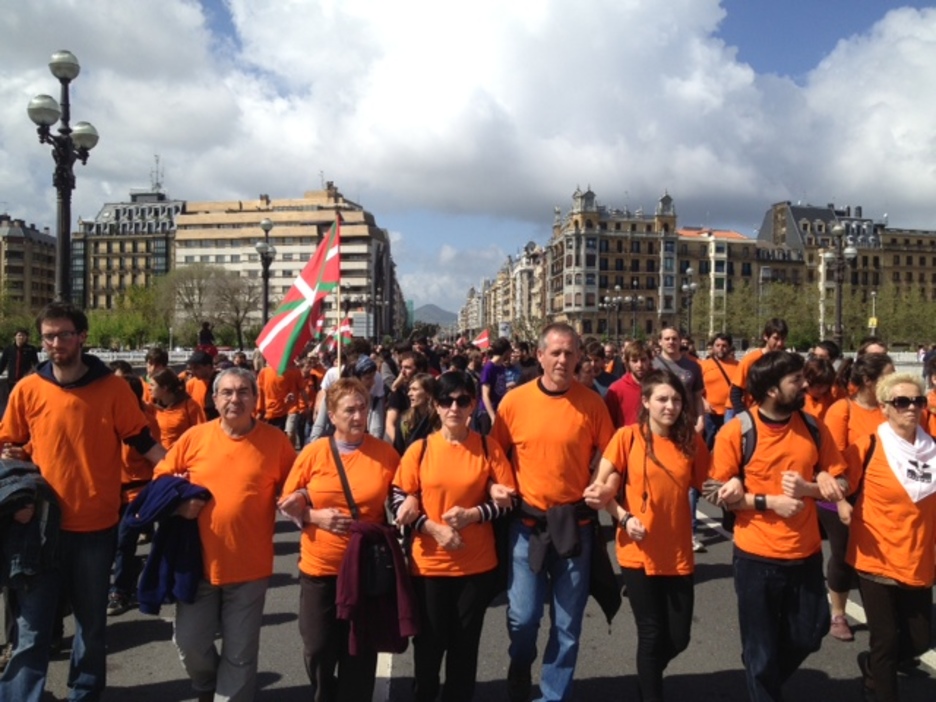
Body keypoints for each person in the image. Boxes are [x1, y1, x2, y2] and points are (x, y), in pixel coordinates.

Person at [0, 302, 165, 702]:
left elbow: (144, 443)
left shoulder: (112, 389)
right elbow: (7, 447)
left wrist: (181, 477)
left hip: (95, 527)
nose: (56, 343)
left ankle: (85, 693)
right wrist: (14, 496)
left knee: (91, 625)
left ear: (83, 337)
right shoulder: (28, 389)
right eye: (49, 336)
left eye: (65, 335)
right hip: (38, 527)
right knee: (32, 628)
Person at [711, 350, 850, 702]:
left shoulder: (814, 428)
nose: (804, 385)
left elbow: (842, 480)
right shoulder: (737, 431)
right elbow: (715, 491)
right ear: (773, 390)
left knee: (811, 633)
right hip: (756, 556)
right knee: (759, 648)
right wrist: (765, 501)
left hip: (804, 553)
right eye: (796, 381)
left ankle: (763, 673)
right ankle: (761, 678)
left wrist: (813, 487)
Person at [155, 367, 296, 702]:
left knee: (240, 652)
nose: (236, 399)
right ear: (215, 399)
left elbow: (296, 486)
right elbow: (161, 477)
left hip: (250, 567)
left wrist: (298, 500)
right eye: (228, 392)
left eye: (244, 391)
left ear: (255, 399)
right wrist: (179, 503)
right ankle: (207, 685)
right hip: (197, 565)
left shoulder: (276, 442)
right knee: (190, 643)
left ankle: (228, 695)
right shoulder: (194, 438)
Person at [491, 323, 615, 702]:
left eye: (570, 353)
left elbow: (612, 455)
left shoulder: (592, 403)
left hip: (574, 526)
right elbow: (496, 455)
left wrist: (604, 484)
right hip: (527, 526)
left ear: (580, 358)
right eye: (555, 353)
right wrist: (497, 485)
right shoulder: (514, 402)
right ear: (540, 356)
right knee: (523, 617)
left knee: (567, 625)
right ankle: (520, 661)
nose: (563, 360)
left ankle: (551, 696)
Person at [585, 369, 710, 702]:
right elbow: (603, 488)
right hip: (637, 550)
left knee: (678, 637)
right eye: (662, 399)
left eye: (676, 400)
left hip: (678, 550)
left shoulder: (689, 441)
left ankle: (648, 673)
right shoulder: (627, 437)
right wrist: (624, 518)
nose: (670, 406)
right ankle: (651, 690)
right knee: (651, 634)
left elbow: (707, 483)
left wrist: (736, 486)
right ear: (646, 402)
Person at [392, 370, 517, 702]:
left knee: (464, 649)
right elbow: (398, 496)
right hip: (428, 566)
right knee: (429, 647)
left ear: (473, 404)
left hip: (475, 567)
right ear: (435, 405)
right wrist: (432, 527)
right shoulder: (419, 450)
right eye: (446, 401)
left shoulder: (488, 448)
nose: (454, 408)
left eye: (463, 400)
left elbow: (509, 500)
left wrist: (474, 515)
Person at [277, 378, 401, 702]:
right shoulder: (314, 453)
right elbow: (288, 501)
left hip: (365, 571)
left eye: (363, 408)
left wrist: (409, 505)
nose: (358, 416)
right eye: (349, 410)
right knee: (317, 646)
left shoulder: (385, 454)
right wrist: (312, 516)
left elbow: (401, 496)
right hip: (321, 568)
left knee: (359, 647)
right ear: (331, 415)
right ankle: (324, 694)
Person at [841, 373, 936, 702]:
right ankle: (879, 685)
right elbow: (841, 486)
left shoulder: (932, 448)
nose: (911, 408)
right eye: (902, 402)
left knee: (920, 640)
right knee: (886, 640)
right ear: (884, 407)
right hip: (875, 556)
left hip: (918, 557)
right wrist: (830, 493)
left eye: (917, 401)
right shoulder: (867, 445)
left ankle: (871, 666)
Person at [822, 353, 894, 642]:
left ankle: (884, 620)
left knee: (877, 559)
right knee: (843, 556)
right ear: (868, 381)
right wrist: (840, 500)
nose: (895, 379)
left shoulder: (890, 409)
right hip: (843, 497)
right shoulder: (843, 410)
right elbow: (830, 459)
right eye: (889, 374)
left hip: (879, 498)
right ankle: (838, 613)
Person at [108, 373, 163, 616]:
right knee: (112, 546)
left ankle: (120, 592)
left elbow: (156, 459)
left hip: (137, 492)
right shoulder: (103, 418)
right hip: (108, 493)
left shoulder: (147, 422)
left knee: (123, 542)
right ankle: (129, 573)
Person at [729, 318, 788, 415]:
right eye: (776, 338)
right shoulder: (750, 359)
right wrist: (743, 415)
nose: (780, 343)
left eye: (783, 339)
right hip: (753, 413)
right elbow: (735, 391)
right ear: (766, 336)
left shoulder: (785, 361)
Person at [652, 326, 704, 432]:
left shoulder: (693, 366)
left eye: (674, 339)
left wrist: (700, 421)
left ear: (680, 341)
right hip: (660, 423)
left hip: (686, 422)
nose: (671, 342)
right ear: (660, 342)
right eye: (667, 339)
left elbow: (698, 397)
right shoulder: (651, 366)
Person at [149, 368, 207, 449]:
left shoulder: (189, 405)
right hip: (159, 458)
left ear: (165, 388)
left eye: (152, 385)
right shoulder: (152, 407)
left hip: (182, 456)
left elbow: (201, 432)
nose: (149, 388)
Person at [604, 340, 653, 428]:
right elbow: (608, 423)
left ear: (650, 359)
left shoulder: (660, 385)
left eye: (643, 360)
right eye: (634, 361)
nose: (640, 365)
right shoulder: (616, 389)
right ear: (627, 363)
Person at [700, 333, 737, 448]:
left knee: (727, 444)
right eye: (718, 345)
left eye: (724, 345)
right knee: (707, 443)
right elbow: (695, 389)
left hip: (730, 412)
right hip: (709, 412)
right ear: (713, 346)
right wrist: (703, 402)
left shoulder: (738, 366)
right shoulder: (703, 365)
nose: (721, 348)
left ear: (730, 347)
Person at [392, 373, 440, 455]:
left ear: (428, 394)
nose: (409, 394)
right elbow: (398, 451)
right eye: (409, 389)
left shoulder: (440, 420)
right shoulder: (404, 420)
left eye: (414, 389)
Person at [477, 337, 511, 435]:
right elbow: (485, 395)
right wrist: (492, 416)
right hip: (487, 413)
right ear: (506, 352)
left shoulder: (501, 367)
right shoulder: (489, 368)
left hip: (499, 410)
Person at [186, 350, 219, 420]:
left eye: (196, 368)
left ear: (209, 367)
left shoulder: (221, 382)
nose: (193, 372)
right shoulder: (191, 384)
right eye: (191, 368)